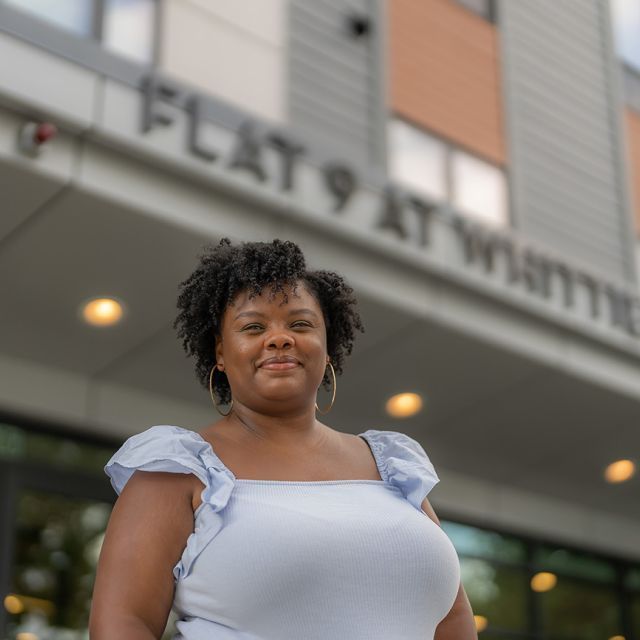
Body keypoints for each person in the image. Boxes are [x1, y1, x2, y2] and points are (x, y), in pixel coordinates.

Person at [89, 237, 477, 640]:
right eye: (253, 326)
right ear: (220, 352)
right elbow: (122, 624)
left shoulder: (392, 465)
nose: (279, 338)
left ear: (327, 348)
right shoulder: (177, 468)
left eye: (300, 324)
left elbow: (452, 618)